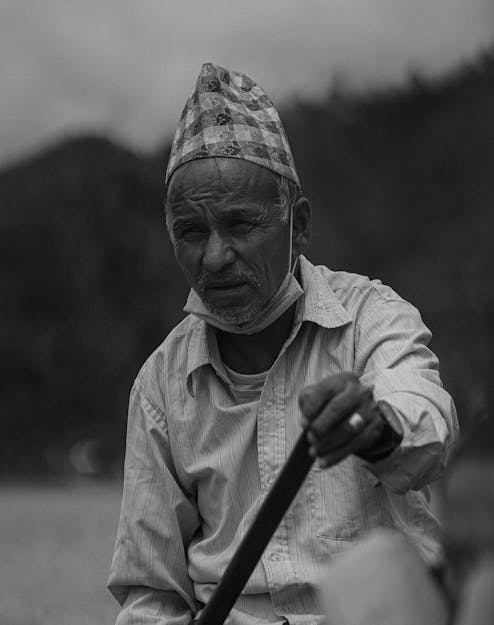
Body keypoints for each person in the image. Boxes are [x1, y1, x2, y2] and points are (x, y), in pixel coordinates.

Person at [107, 62, 459, 625]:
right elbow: (152, 595)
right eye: (192, 232)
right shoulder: (160, 384)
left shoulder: (370, 317)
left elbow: (428, 433)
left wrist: (375, 428)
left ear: (298, 225)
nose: (215, 257)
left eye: (241, 225)